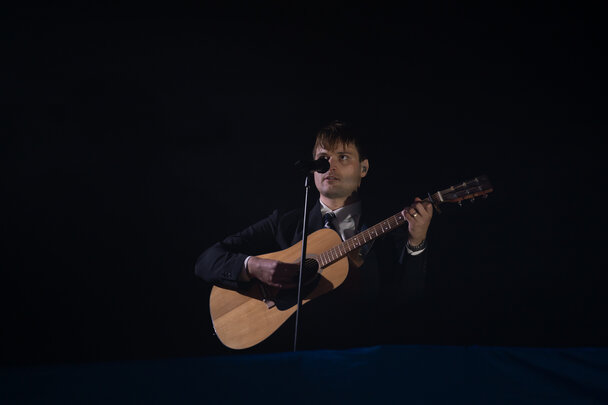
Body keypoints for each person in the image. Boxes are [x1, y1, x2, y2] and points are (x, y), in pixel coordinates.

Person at [195, 121, 433, 352]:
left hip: (362, 355)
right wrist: (253, 266)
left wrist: (416, 241)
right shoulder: (285, 224)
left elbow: (408, 302)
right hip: (294, 353)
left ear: (364, 168)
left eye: (343, 157)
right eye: (323, 158)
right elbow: (207, 261)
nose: (330, 165)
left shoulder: (389, 227)